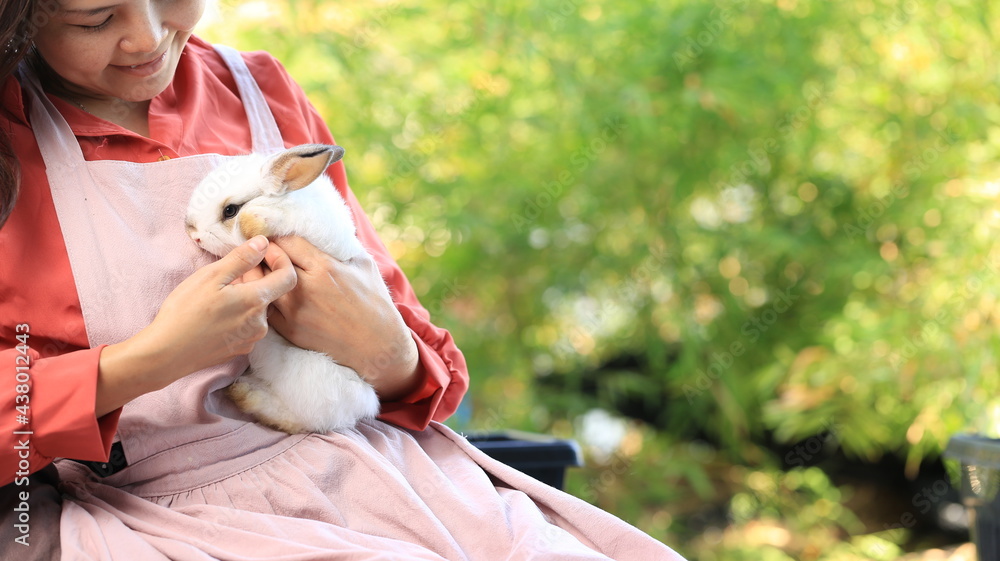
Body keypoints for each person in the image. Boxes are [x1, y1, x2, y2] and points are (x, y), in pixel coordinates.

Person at [0, 1, 687, 559]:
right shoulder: (12, 142)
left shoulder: (259, 91)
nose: (146, 36)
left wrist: (383, 347)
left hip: (383, 474)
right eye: (94, 18)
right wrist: (147, 360)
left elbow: (426, 380)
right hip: (167, 511)